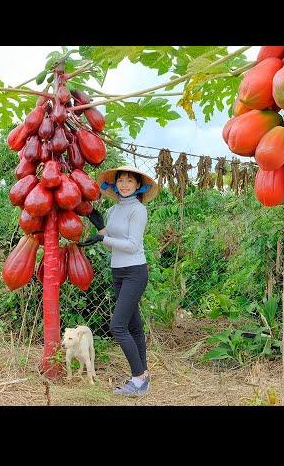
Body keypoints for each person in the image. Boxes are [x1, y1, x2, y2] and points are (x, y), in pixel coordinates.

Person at [78, 164, 159, 397]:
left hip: (135, 271)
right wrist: (100, 226)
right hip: (118, 272)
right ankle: (143, 378)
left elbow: (132, 245)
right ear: (115, 184)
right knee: (133, 326)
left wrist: (102, 240)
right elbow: (111, 238)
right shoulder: (114, 210)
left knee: (118, 326)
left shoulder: (138, 210)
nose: (124, 185)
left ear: (138, 185)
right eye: (120, 180)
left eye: (129, 181)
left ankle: (138, 378)